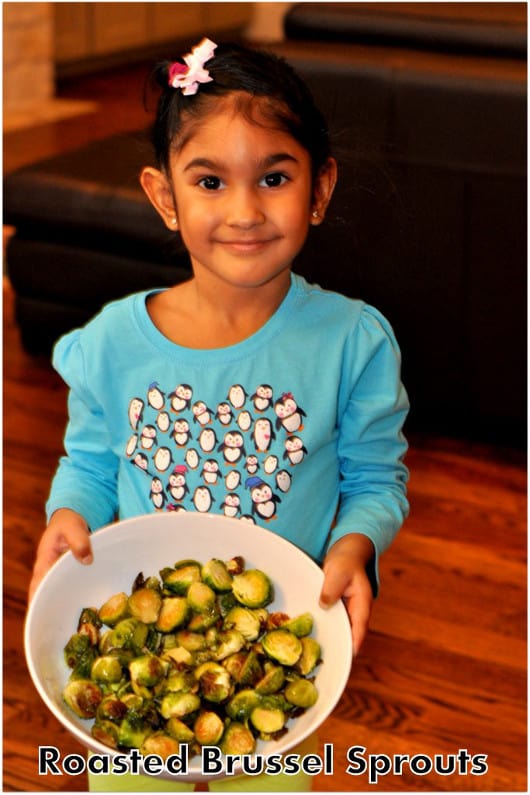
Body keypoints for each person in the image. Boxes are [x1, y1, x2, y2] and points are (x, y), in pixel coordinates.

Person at [28, 38, 409, 791]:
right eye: (209, 181)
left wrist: (357, 545)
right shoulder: (108, 343)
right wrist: (68, 512)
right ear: (165, 196)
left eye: (274, 177)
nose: (244, 210)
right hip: (142, 665)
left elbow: (375, 476)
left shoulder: (353, 342)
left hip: (275, 655)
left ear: (320, 188)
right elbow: (91, 461)